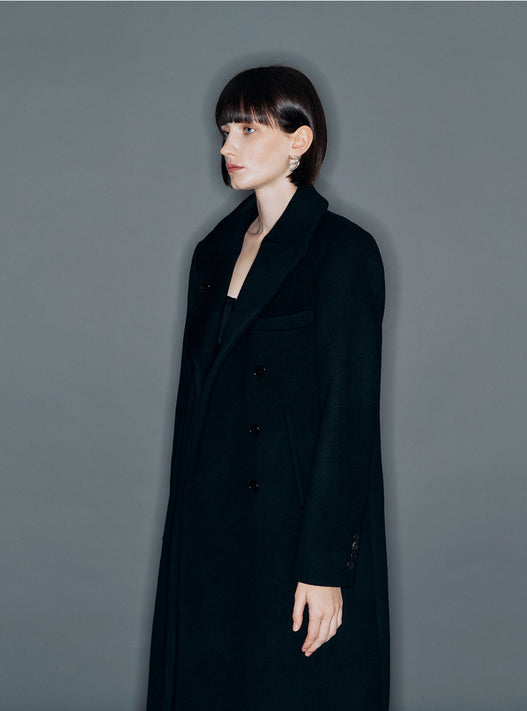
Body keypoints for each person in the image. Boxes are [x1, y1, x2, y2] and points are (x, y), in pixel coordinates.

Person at [146, 65, 389, 711]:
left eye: (248, 130)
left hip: (292, 528)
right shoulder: (213, 250)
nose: (227, 146)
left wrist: (324, 564)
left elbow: (348, 415)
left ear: (298, 141)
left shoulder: (343, 252)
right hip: (209, 528)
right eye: (225, 129)